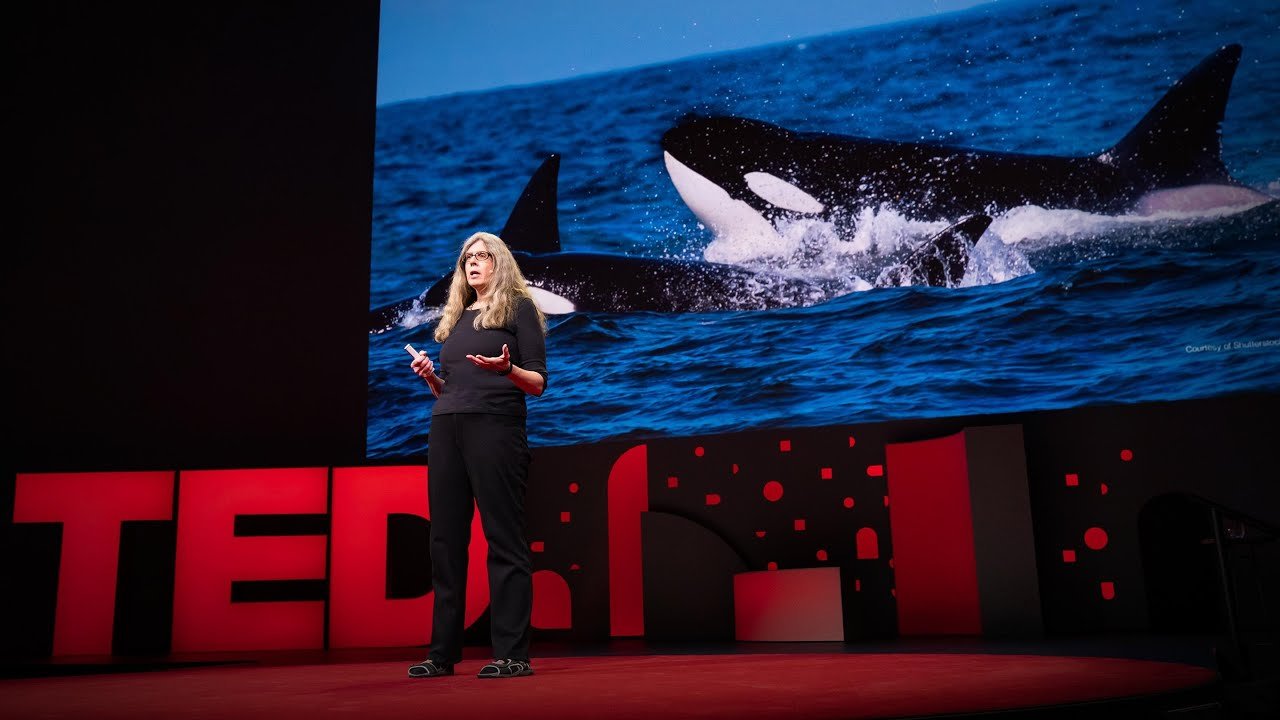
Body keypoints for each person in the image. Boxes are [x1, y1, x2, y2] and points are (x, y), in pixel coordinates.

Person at [406, 231, 547, 679]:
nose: (474, 262)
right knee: (445, 543)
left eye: (483, 256)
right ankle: (441, 655)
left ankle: (512, 654)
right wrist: (432, 379)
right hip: (446, 425)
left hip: (496, 427)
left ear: (499, 263)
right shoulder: (456, 319)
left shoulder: (519, 309)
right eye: (468, 257)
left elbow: (539, 383)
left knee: (503, 539)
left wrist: (508, 369)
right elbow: (454, 388)